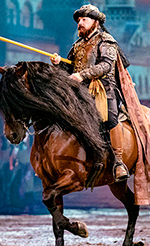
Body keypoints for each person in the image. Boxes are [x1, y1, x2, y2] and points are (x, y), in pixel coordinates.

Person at [50, 4, 129, 182]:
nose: (80, 23)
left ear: (95, 22)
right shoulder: (77, 45)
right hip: (80, 90)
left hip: (103, 88)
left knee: (110, 119)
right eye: (79, 20)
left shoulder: (106, 40)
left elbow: (106, 65)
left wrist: (82, 74)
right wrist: (58, 63)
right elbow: (69, 68)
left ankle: (118, 162)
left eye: (84, 19)